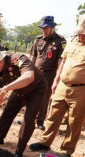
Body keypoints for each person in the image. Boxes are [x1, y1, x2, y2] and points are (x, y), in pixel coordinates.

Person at [29, 14, 85, 157]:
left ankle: (67, 151)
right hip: (62, 85)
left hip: (81, 90)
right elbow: (63, 62)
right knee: (53, 115)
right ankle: (45, 142)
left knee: (74, 122)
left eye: (83, 34)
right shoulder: (72, 41)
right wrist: (56, 81)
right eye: (79, 33)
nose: (81, 36)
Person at [0, 45, 47, 157]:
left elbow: (29, 76)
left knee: (28, 119)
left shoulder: (18, 59)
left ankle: (19, 151)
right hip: (17, 90)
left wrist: (6, 88)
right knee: (7, 112)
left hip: (36, 89)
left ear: (0, 60)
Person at [29, 16, 66, 130]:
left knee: (45, 98)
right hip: (36, 72)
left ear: (52, 27)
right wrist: (29, 71)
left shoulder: (60, 41)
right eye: (42, 28)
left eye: (45, 28)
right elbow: (32, 57)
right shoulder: (38, 39)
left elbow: (61, 61)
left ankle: (40, 121)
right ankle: (29, 118)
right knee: (31, 95)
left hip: (49, 74)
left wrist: (58, 78)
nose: (43, 30)